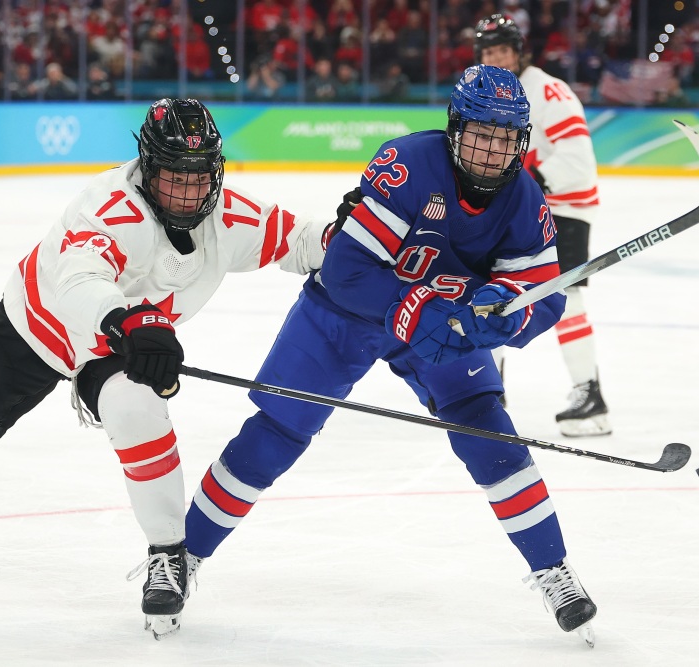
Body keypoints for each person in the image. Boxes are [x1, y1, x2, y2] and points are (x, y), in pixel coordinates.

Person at [0, 98, 328, 640]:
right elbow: (79, 281)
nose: (188, 192)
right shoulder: (108, 206)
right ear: (147, 167)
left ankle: (168, 556)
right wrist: (130, 321)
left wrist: (363, 236)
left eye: (199, 177)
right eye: (173, 178)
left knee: (139, 410)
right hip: (35, 326)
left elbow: (301, 239)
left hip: (111, 348)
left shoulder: (228, 217)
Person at [184, 65, 598, 646]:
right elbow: (347, 270)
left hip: (441, 325)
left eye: (507, 138)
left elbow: (542, 302)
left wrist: (490, 317)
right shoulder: (409, 163)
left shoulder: (525, 200)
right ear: (456, 128)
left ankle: (553, 568)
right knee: (278, 429)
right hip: (345, 314)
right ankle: (184, 556)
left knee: (488, 429)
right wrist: (419, 310)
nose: (492, 150)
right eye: (482, 133)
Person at [475, 14, 611, 437]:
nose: (496, 58)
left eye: (503, 50)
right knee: (489, 290)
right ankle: (487, 390)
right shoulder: (493, 94)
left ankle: (590, 396)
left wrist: (529, 186)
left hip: (564, 209)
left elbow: (577, 160)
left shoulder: (548, 90)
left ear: (519, 52)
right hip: (522, 210)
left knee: (566, 297)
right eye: (488, 52)